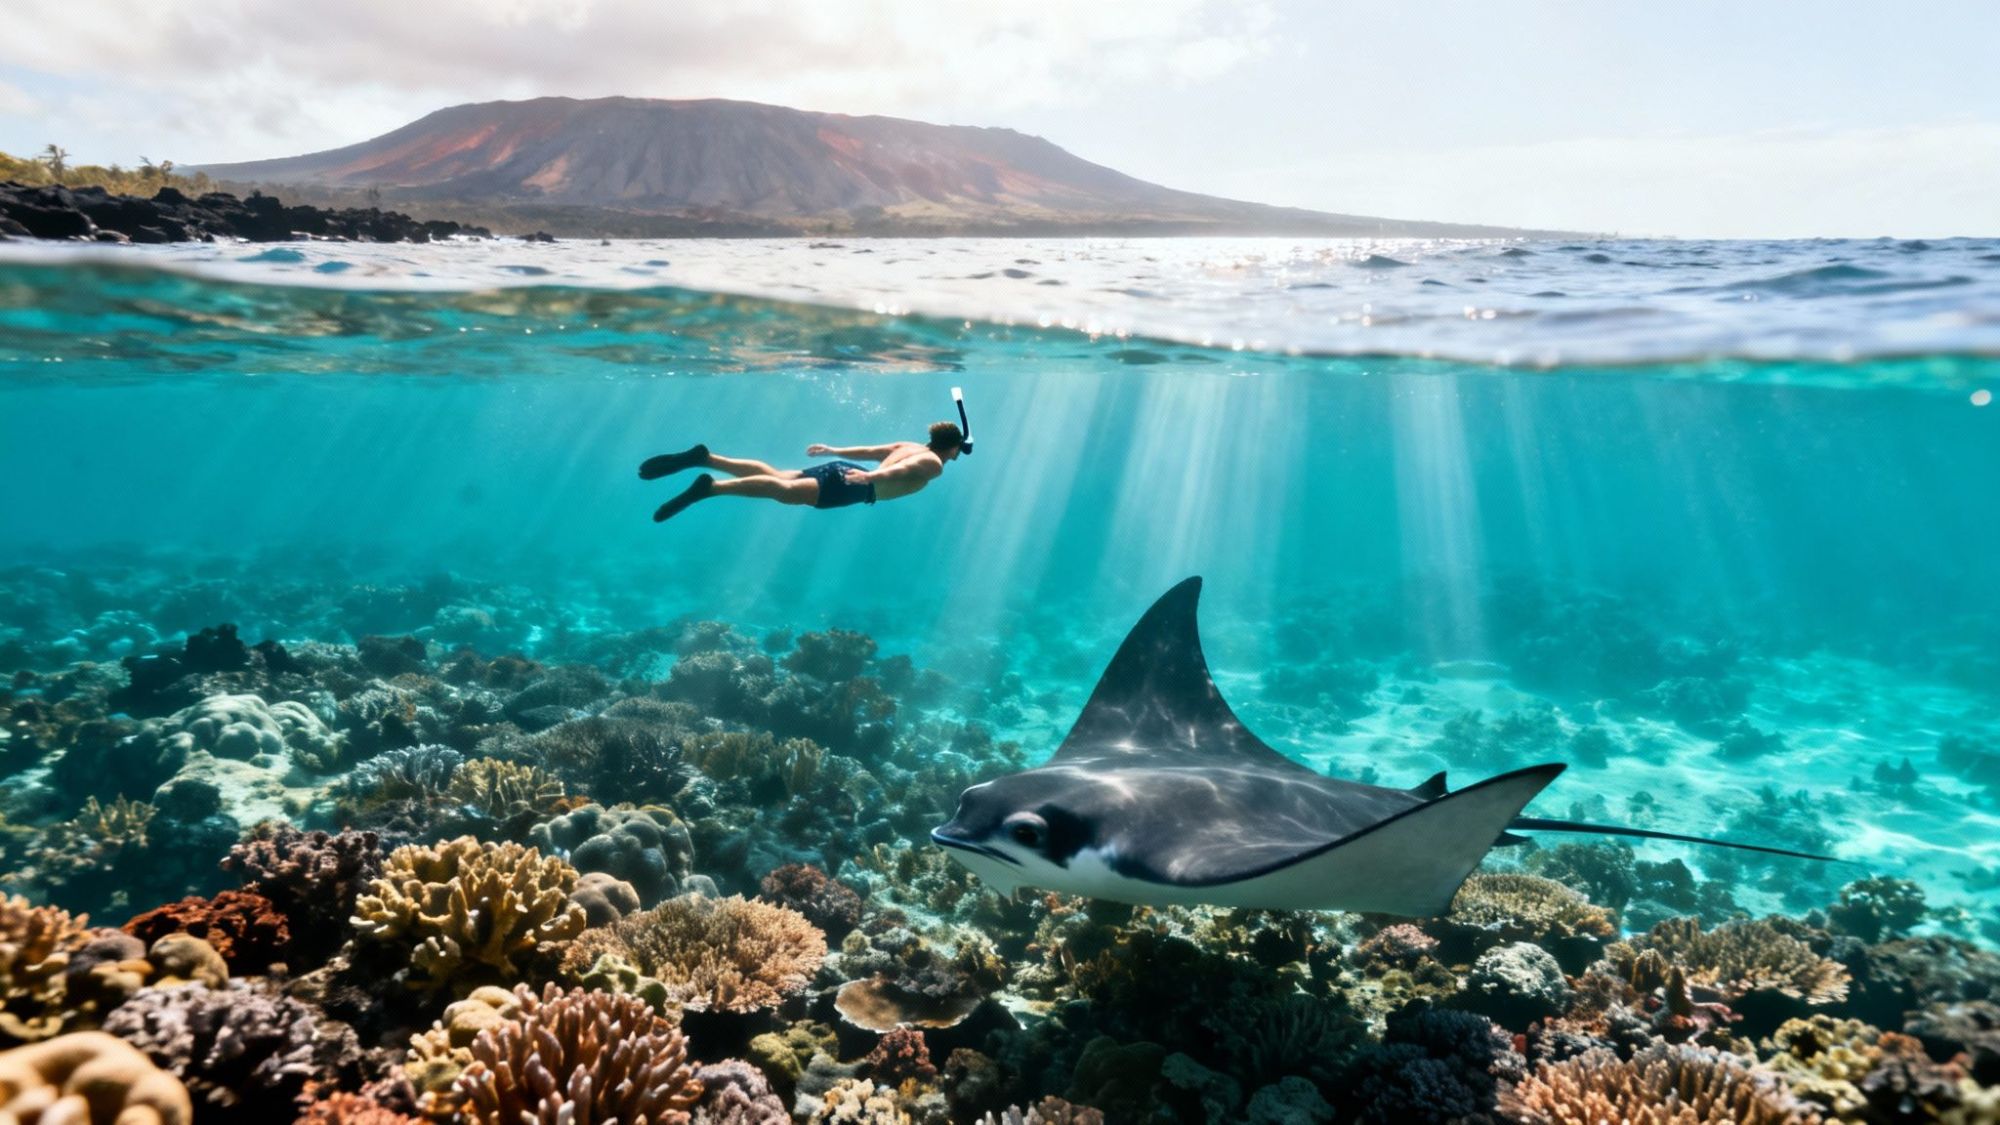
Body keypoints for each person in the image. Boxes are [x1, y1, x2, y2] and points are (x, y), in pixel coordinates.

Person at [640, 421, 966, 522]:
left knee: (780, 476)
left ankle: (708, 459)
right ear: (951, 448)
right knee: (786, 493)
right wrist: (870, 478)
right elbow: (903, 472)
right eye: (958, 451)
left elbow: (871, 451)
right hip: (858, 486)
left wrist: (833, 450)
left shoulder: (911, 444)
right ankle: (711, 488)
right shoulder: (933, 464)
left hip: (845, 469)